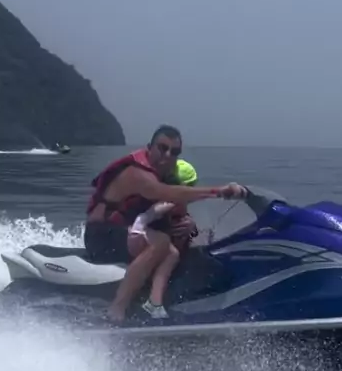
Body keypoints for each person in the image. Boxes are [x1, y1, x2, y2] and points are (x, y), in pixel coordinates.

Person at [83, 125, 246, 323]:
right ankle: (116, 309)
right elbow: (166, 194)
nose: (168, 155)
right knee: (160, 242)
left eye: (174, 152)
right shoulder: (136, 174)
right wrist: (219, 192)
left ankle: (155, 304)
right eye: (162, 148)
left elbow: (168, 212)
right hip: (101, 236)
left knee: (174, 253)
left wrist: (190, 226)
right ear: (149, 147)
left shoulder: (163, 176)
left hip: (127, 233)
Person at [127, 159, 199, 319]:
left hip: (158, 243)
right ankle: (154, 302)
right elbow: (143, 219)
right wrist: (138, 230)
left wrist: (192, 227)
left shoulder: (174, 203)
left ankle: (156, 299)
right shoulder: (163, 203)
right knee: (171, 254)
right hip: (144, 246)